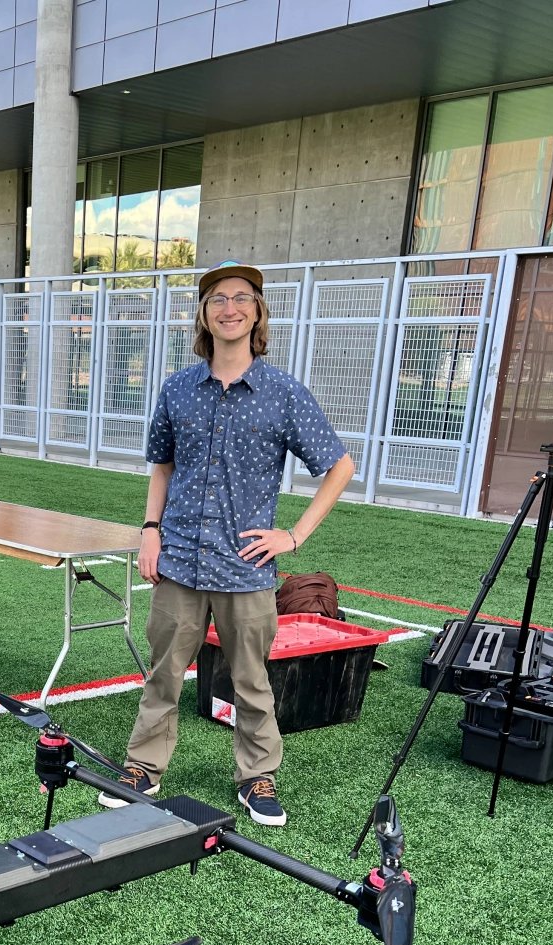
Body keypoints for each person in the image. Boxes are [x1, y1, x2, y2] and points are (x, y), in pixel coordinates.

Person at [101, 259, 354, 825]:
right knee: (164, 673)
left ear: (257, 312)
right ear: (204, 315)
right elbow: (162, 467)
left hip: (246, 567)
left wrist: (294, 534)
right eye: (218, 298)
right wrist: (150, 532)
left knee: (251, 678)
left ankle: (257, 777)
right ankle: (143, 766)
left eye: (242, 298)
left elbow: (339, 465)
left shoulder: (283, 393)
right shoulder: (178, 388)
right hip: (180, 562)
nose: (230, 307)